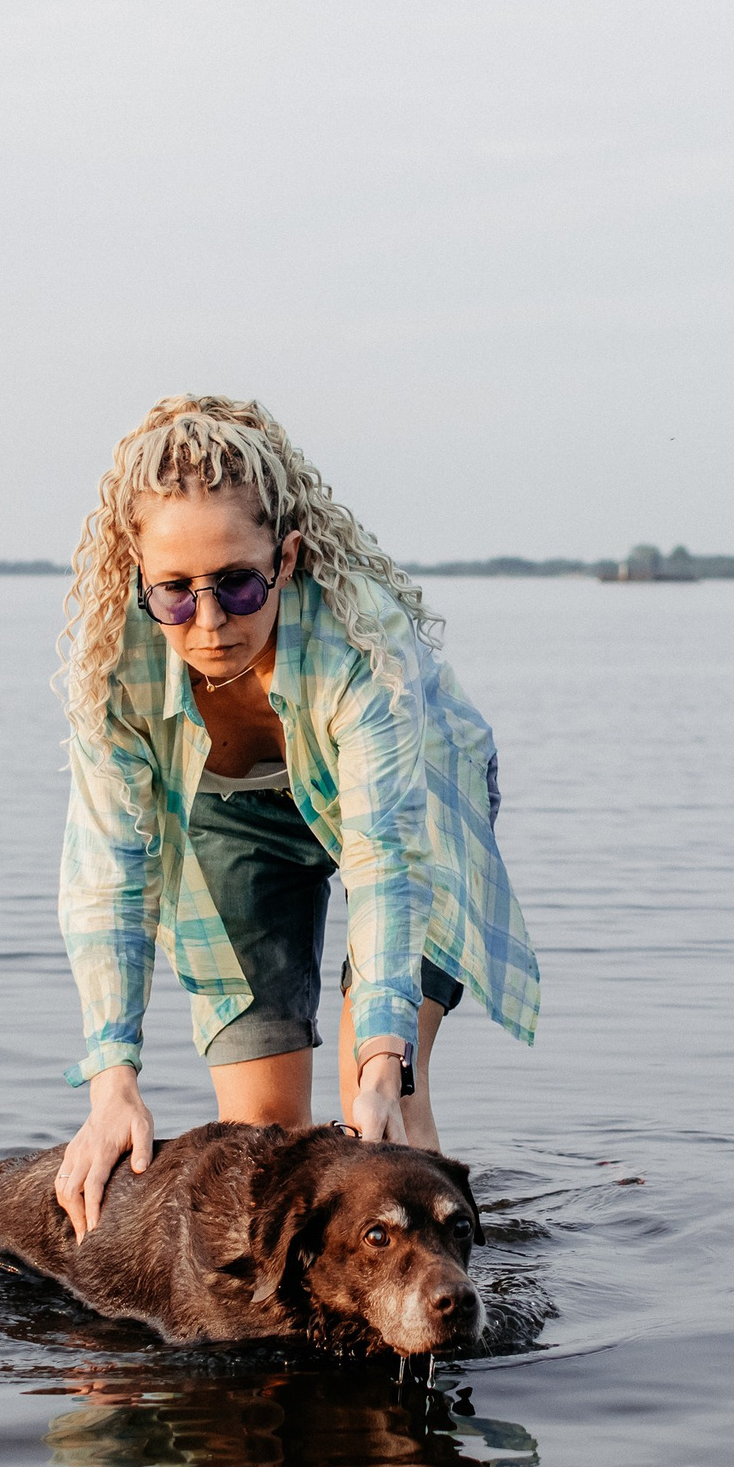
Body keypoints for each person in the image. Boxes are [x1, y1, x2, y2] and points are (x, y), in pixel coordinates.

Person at [51, 395, 539, 1236]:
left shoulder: (360, 648)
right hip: (230, 815)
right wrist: (112, 1082)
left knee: (377, 1109)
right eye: (174, 592)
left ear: (285, 558)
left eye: (238, 584)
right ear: (138, 576)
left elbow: (385, 859)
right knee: (263, 1148)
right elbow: (109, 881)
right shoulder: (113, 667)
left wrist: (385, 1063)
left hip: (412, 804)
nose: (209, 624)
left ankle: (433, 1312)